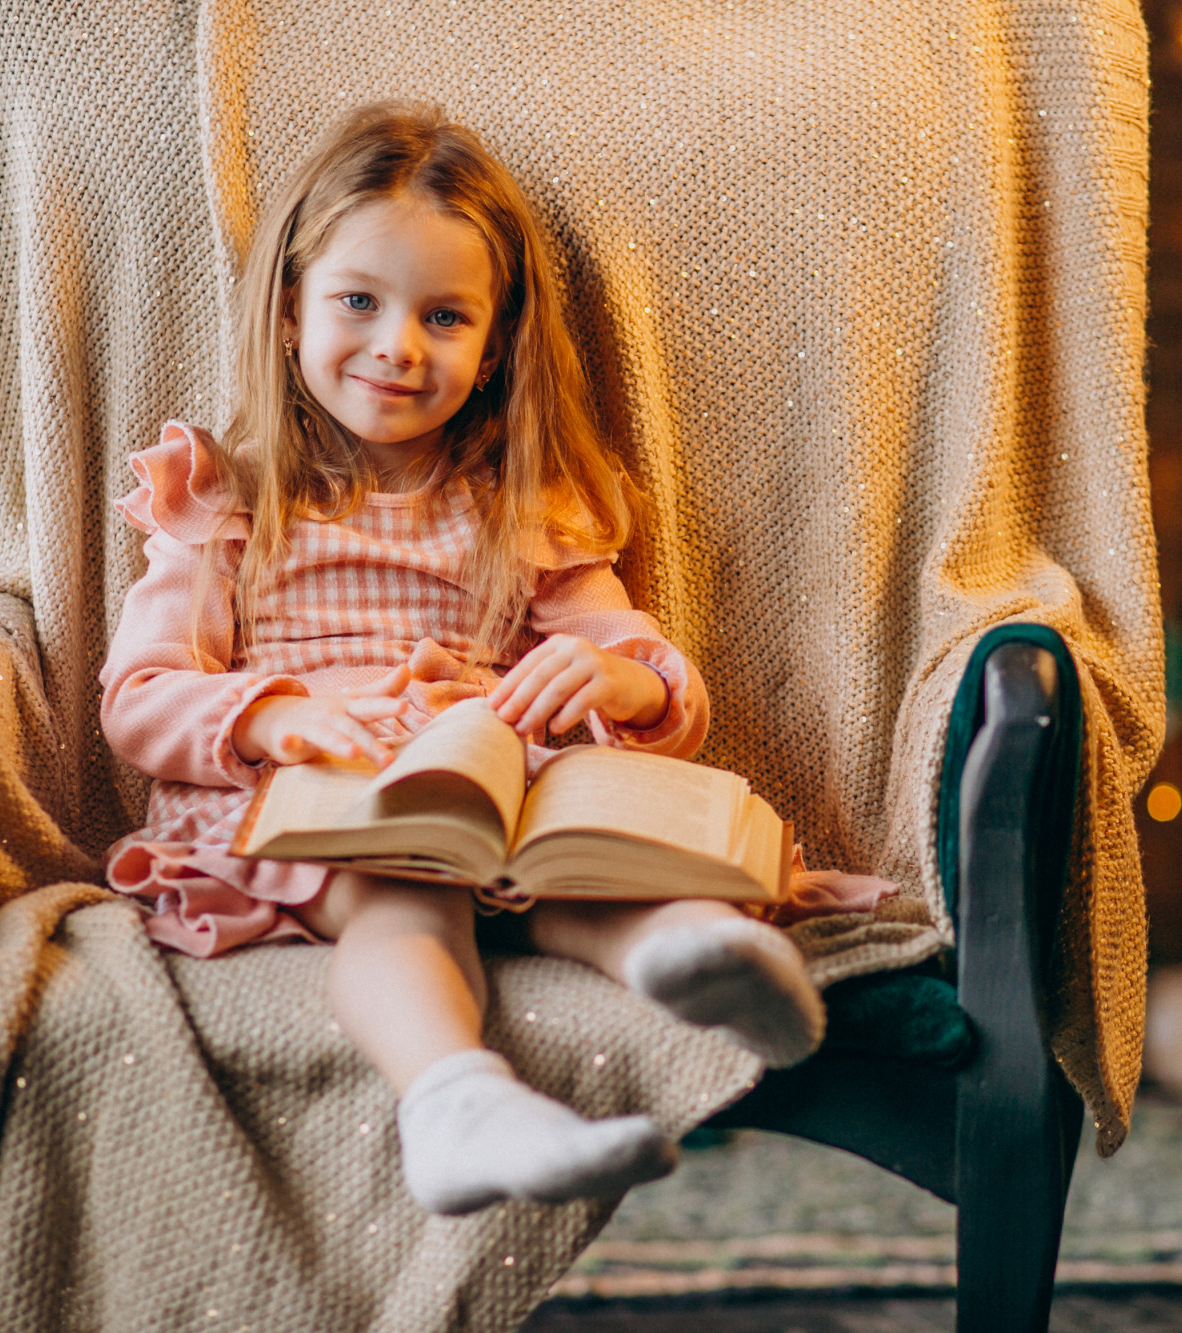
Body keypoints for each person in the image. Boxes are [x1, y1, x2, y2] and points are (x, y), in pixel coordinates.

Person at [98, 102, 826, 1217]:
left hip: (486, 798)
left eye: (443, 316)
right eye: (358, 302)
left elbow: (614, 642)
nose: (397, 345)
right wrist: (269, 718)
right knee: (408, 897)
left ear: (491, 351)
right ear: (289, 313)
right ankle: (455, 1101)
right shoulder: (228, 502)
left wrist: (622, 678)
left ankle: (689, 957)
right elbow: (140, 699)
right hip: (320, 810)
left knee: (576, 872)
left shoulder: (519, 508)